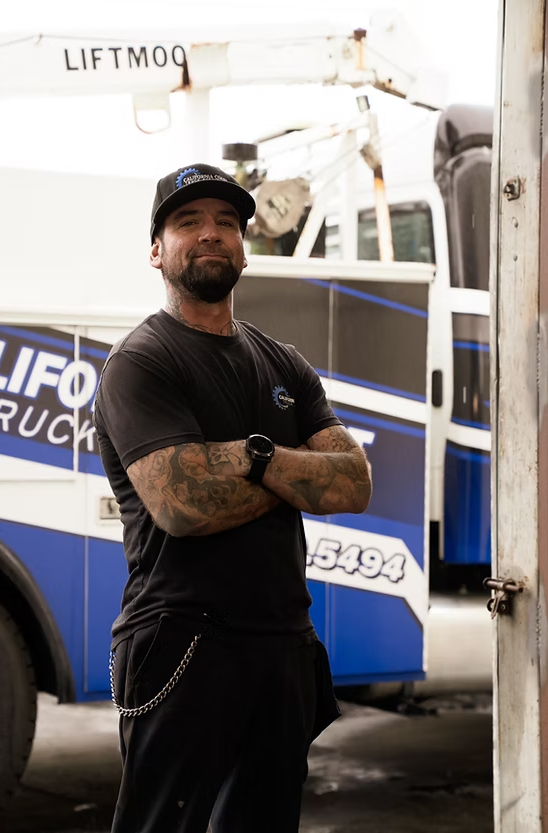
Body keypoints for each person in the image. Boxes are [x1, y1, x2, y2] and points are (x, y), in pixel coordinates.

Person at [93, 163, 372, 833]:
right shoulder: (142, 361)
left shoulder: (282, 362)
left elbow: (353, 482)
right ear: (157, 250)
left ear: (243, 248)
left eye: (225, 223)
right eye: (187, 222)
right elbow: (181, 503)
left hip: (281, 644)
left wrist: (255, 458)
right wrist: (293, 476)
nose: (210, 234)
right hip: (184, 642)